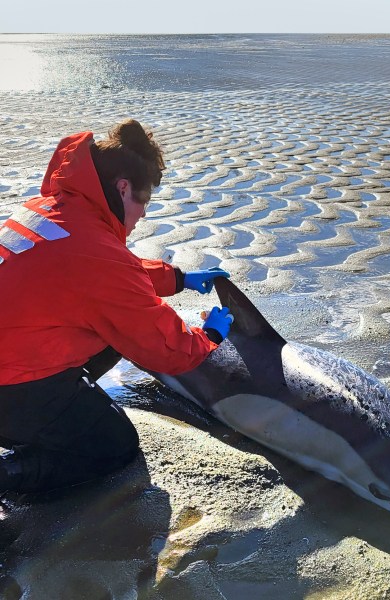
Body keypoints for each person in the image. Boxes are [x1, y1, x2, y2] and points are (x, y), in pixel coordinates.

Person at [0, 119, 233, 494]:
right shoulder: (95, 253)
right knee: (113, 447)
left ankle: (55, 410)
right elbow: (167, 350)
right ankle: (12, 470)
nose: (141, 219)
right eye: (144, 204)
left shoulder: (52, 209)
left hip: (13, 354)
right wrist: (208, 336)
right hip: (9, 383)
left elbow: (97, 276)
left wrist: (177, 278)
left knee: (113, 330)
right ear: (123, 188)